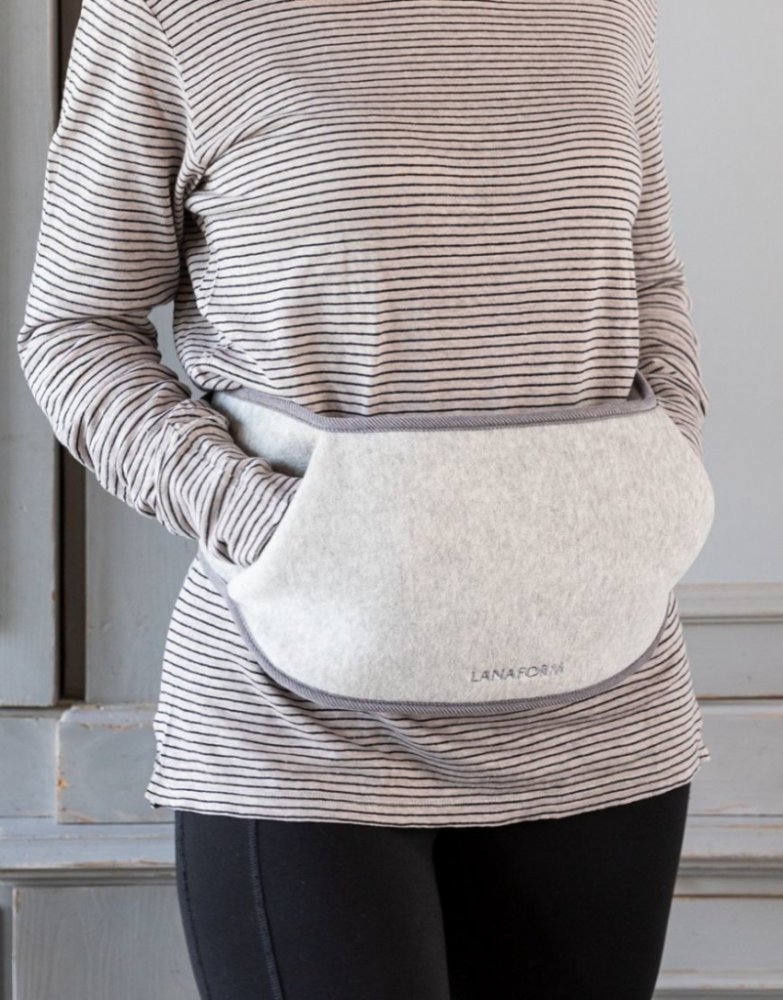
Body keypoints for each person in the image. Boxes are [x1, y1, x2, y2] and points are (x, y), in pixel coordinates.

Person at [17, 0, 710, 997]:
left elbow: (648, 276)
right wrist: (276, 527)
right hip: (299, 713)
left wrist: (665, 460)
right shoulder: (166, 15)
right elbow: (75, 330)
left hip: (605, 703)